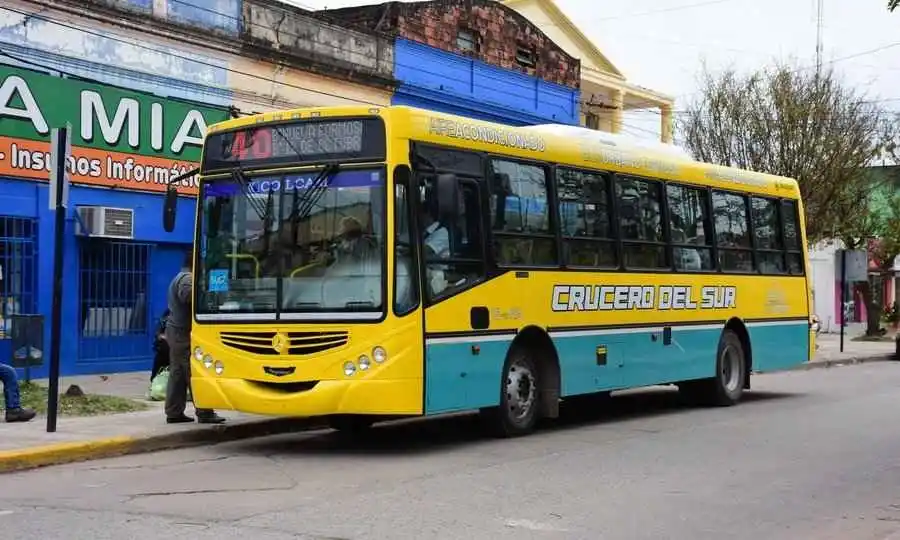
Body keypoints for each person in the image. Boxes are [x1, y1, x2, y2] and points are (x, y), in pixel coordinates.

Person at [165, 251, 225, 424]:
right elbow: (189, 298)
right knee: (192, 371)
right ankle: (204, 411)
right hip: (182, 333)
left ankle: (174, 412)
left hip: (176, 331)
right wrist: (209, 292)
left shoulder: (180, 276)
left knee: (177, 373)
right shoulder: (187, 279)